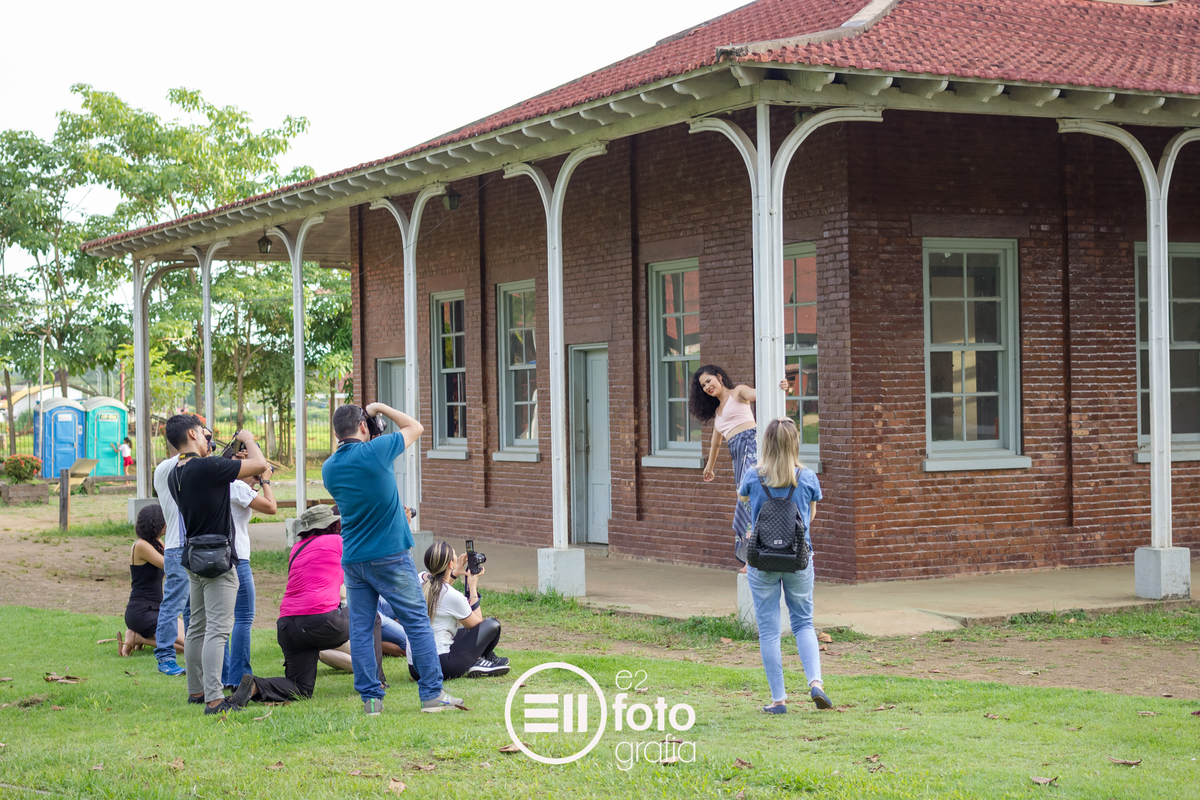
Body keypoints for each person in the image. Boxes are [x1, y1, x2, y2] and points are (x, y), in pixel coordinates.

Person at [322, 402, 455, 715]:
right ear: (364, 427)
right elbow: (416, 427)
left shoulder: (330, 468)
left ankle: (371, 700)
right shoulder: (376, 451)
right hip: (389, 555)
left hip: (354, 559)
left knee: (362, 628)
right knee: (417, 623)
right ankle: (432, 694)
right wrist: (379, 407)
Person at [226, 505, 386, 705]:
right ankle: (377, 681)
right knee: (372, 617)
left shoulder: (296, 548)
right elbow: (369, 553)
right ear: (334, 524)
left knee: (300, 689)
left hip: (287, 627)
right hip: (321, 621)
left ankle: (255, 685)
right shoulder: (338, 541)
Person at [165, 415, 267, 716]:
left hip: (193, 556)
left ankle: (196, 691)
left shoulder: (176, 472)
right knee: (219, 630)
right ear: (193, 433)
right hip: (219, 558)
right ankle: (213, 699)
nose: (209, 441)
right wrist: (249, 440)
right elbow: (260, 466)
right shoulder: (208, 468)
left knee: (197, 626)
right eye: (206, 436)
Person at [737, 416, 831, 714]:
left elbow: (744, 502)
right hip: (799, 559)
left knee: (769, 630)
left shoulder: (753, 475)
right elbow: (809, 517)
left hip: (762, 559)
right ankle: (815, 682)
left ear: (766, 443)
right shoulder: (808, 477)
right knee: (803, 622)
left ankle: (779, 700)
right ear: (795, 443)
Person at [690, 365, 788, 566]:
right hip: (737, 457)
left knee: (749, 499)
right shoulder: (717, 413)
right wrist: (709, 467)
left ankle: (756, 554)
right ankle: (751, 554)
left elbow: (762, 394)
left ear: (719, 377)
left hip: (752, 449)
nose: (707, 386)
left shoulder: (738, 392)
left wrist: (782, 386)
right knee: (745, 499)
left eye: (709, 381)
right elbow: (716, 443)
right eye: (702, 385)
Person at [408, 542, 509, 681]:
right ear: (450, 564)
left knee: (460, 631)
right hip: (441, 666)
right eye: (455, 554)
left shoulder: (421, 581)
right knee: (492, 625)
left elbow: (438, 589)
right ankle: (478, 660)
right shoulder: (452, 595)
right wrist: (472, 586)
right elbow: (477, 625)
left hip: (415, 668)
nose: (457, 556)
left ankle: (481, 658)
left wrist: (455, 573)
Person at [220, 458, 277, 689]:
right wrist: (265, 481)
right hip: (238, 558)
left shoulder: (219, 484)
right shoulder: (238, 487)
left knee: (220, 621)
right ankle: (238, 677)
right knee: (243, 617)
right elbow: (271, 507)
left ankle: (222, 676)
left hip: (217, 558)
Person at [119, 504, 184, 657]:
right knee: (185, 647)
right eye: (165, 520)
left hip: (159, 609)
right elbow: (169, 564)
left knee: (190, 637)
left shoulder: (158, 543)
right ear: (156, 523)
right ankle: (136, 637)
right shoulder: (140, 546)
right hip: (141, 612)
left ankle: (138, 637)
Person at [152, 438, 189, 677]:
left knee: (191, 608)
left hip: (190, 547)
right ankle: (165, 657)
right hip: (178, 548)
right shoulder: (168, 467)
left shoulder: (186, 467)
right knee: (172, 604)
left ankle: (191, 656)